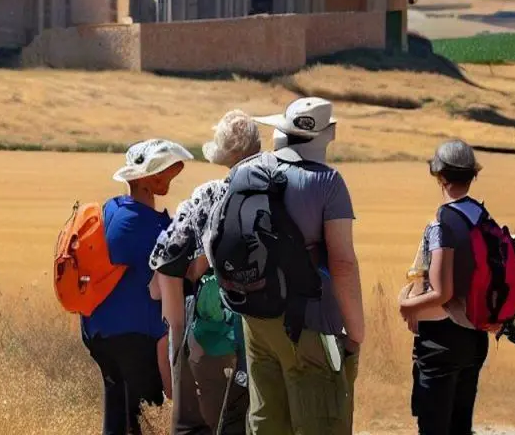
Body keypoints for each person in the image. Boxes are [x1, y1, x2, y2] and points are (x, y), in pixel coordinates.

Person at [238, 97, 364, 435]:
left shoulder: (247, 172)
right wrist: (356, 330)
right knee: (321, 419)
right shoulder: (327, 182)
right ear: (327, 135)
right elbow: (342, 262)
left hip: (256, 318)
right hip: (309, 321)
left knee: (267, 421)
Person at [149, 110, 260, 435]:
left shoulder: (207, 195)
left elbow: (166, 256)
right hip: (270, 333)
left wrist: (177, 336)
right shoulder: (281, 190)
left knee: (195, 426)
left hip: (210, 336)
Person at [82, 139, 193, 435]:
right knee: (144, 419)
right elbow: (176, 272)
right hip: (135, 338)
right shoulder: (146, 225)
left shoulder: (112, 209)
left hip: (100, 332)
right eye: (162, 172)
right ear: (146, 180)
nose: (169, 177)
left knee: (118, 417)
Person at [399, 139, 490, 435]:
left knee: (434, 427)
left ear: (440, 176)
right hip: (476, 336)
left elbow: (442, 292)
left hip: (441, 341)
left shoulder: (443, 223)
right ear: (472, 174)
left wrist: (406, 305)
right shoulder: (483, 217)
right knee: (461, 425)